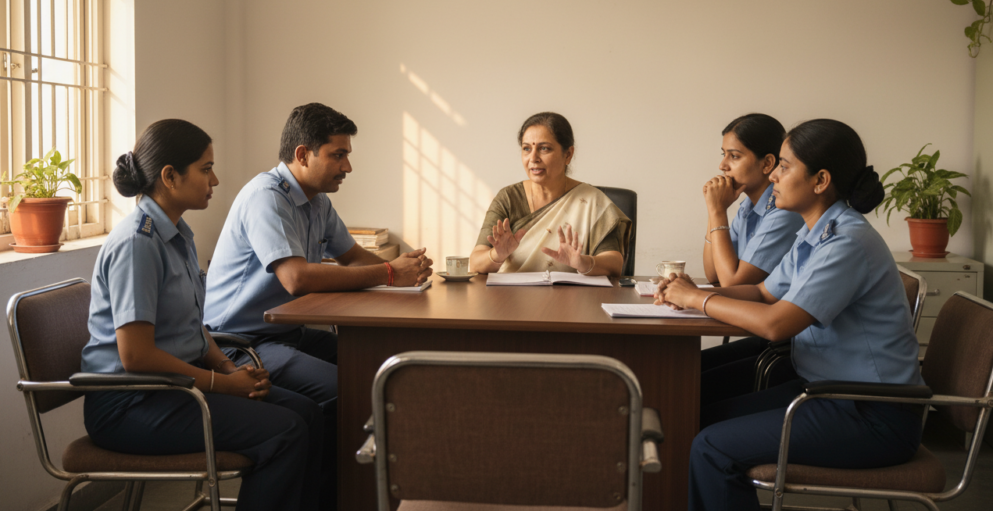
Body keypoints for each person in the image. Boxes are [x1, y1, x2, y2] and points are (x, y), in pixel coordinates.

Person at [655, 119, 924, 511]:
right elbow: (764, 292)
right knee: (698, 419)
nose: (774, 176)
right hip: (828, 393)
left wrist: (698, 300)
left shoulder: (846, 243)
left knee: (712, 446)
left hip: (873, 415)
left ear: (820, 180)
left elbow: (776, 323)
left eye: (784, 166)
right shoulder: (816, 231)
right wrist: (691, 293)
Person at [81, 119, 323, 511]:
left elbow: (194, 326)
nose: (215, 180)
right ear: (170, 176)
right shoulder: (137, 244)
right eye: (206, 169)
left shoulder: (178, 235)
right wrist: (221, 384)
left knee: (306, 412)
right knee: (286, 431)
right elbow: (136, 357)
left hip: (176, 389)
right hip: (131, 404)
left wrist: (228, 368)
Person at [204, 103, 433, 497]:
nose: (347, 167)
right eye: (338, 155)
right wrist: (390, 273)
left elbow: (354, 258)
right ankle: (336, 497)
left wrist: (404, 273)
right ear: (302, 155)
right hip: (239, 344)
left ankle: (349, 493)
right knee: (350, 389)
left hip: (286, 334)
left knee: (379, 367)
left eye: (347, 156)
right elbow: (296, 279)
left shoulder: (317, 201)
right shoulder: (266, 197)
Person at [699, 114, 803, 406]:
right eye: (724, 155)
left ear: (767, 164)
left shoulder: (784, 210)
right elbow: (712, 274)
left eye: (734, 155)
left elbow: (733, 281)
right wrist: (714, 212)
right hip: (772, 333)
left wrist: (718, 212)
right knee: (689, 370)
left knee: (692, 385)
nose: (722, 165)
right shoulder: (748, 205)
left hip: (786, 344)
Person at [469, 112, 631, 276]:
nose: (533, 158)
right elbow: (475, 263)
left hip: (572, 298)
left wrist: (582, 262)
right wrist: (497, 255)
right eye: (527, 149)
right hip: (512, 297)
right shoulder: (508, 198)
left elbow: (614, 264)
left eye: (544, 148)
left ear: (567, 155)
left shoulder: (593, 201)